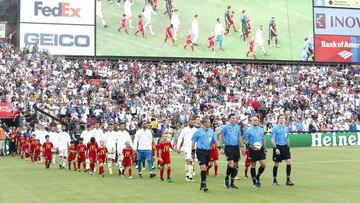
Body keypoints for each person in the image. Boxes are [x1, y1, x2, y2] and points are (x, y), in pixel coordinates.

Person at [191, 117, 218, 192]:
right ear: (204, 123)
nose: (209, 123)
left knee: (205, 168)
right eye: (208, 122)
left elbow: (215, 140)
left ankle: (202, 184)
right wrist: (193, 152)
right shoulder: (198, 131)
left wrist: (219, 147)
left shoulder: (211, 132)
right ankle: (204, 184)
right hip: (200, 151)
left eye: (209, 122)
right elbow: (193, 142)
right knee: (203, 167)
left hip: (208, 151)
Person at [219, 113, 242, 189]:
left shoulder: (238, 127)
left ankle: (232, 183)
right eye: (232, 118)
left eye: (235, 118)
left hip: (236, 147)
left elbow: (239, 137)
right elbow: (221, 136)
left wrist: (242, 145)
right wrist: (221, 147)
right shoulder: (225, 127)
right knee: (231, 163)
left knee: (235, 165)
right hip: (228, 147)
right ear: (229, 119)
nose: (234, 119)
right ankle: (226, 178)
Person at [243, 116, 267, 188]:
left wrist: (265, 148)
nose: (256, 121)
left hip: (260, 149)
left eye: (257, 120)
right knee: (253, 165)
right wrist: (249, 146)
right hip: (252, 149)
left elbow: (263, 139)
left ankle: (257, 176)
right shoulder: (248, 130)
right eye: (254, 120)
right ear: (251, 121)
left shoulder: (261, 130)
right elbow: (244, 140)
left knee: (263, 164)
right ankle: (254, 182)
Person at [271, 114, 295, 186]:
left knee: (289, 162)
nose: (282, 119)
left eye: (283, 118)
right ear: (278, 119)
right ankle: (274, 180)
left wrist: (288, 147)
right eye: (281, 118)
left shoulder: (286, 128)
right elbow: (272, 138)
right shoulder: (275, 128)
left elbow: (287, 138)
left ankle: (288, 180)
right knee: (276, 164)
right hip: (278, 147)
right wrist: (275, 148)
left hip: (285, 147)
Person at [177, 116, 197, 182]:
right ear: (189, 122)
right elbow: (180, 138)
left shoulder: (196, 130)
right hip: (187, 148)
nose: (193, 123)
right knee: (189, 161)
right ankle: (188, 176)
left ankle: (189, 175)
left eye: (194, 122)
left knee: (191, 162)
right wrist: (178, 148)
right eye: (191, 122)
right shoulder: (185, 129)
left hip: (194, 148)